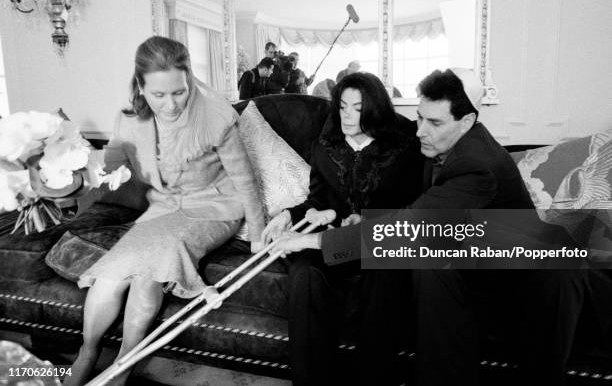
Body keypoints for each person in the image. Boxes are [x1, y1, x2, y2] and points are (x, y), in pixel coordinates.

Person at [273, 68, 585, 385]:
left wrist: (309, 242)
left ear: (467, 122)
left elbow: (410, 225)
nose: (420, 130)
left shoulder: (476, 165)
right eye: (420, 117)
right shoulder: (437, 146)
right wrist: (359, 219)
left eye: (434, 122)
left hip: (531, 277)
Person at [65, 36, 265, 386]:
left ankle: (122, 369)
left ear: (189, 81)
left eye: (179, 92)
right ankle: (88, 352)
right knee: (112, 273)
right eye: (159, 95)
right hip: (163, 210)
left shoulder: (217, 116)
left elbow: (245, 180)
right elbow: (108, 171)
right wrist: (67, 171)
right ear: (140, 86)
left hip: (214, 207)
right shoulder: (129, 120)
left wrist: (258, 236)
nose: (171, 105)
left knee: (150, 273)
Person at [262, 72, 424, 386]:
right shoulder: (328, 140)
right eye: (343, 106)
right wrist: (291, 213)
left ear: (374, 108)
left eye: (357, 108)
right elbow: (320, 198)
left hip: (382, 241)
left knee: (386, 270)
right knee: (305, 272)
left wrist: (368, 221)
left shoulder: (405, 142)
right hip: (333, 241)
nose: (347, 116)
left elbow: (414, 206)